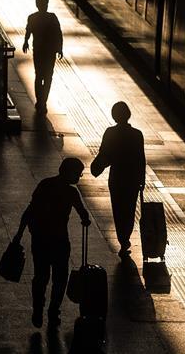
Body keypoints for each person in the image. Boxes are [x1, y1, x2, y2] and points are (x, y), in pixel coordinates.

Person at [19, 157, 91, 328]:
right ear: (70, 172)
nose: (79, 178)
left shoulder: (45, 184)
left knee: (41, 276)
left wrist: (19, 233)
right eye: (78, 174)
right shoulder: (71, 193)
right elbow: (84, 214)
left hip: (40, 239)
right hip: (59, 241)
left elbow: (30, 209)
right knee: (60, 278)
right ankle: (53, 311)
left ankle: (38, 309)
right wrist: (85, 220)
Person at [91, 102, 146, 257]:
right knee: (129, 209)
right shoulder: (137, 134)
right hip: (132, 178)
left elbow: (104, 154)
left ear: (114, 116)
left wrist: (96, 168)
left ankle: (122, 239)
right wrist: (142, 179)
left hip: (116, 177)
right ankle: (125, 238)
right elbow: (141, 159)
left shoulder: (110, 133)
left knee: (118, 208)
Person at [23, 0, 63, 113]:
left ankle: (39, 101)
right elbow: (58, 34)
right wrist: (60, 48)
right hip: (50, 52)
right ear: (47, 4)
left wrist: (26, 42)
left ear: (36, 5)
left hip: (38, 51)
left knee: (39, 75)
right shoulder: (52, 17)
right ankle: (43, 101)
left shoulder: (32, 17)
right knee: (48, 76)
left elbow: (28, 31)